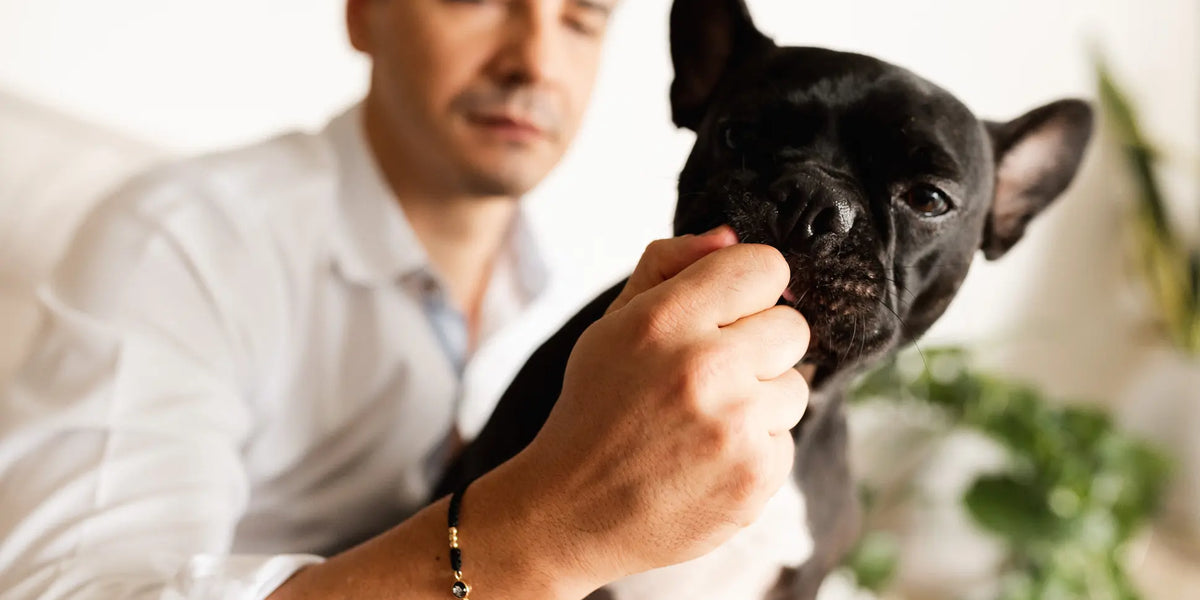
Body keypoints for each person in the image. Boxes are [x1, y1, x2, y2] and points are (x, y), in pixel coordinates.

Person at [0, 1, 811, 599]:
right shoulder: (185, 243)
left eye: (581, 16)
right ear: (362, 13)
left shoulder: (566, 290)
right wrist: (544, 530)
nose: (535, 61)